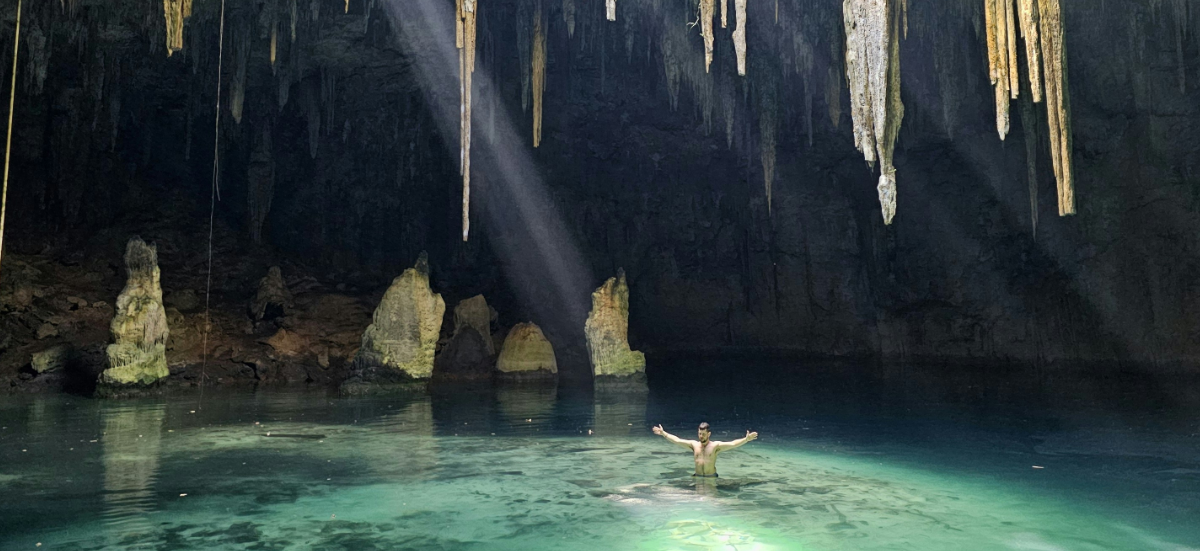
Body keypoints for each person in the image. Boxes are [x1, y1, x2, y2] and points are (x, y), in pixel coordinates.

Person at [652, 422, 757, 477]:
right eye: (699, 434)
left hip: (711, 478)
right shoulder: (694, 445)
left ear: (709, 434)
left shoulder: (715, 446)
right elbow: (677, 440)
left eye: (703, 434)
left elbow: (733, 444)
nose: (701, 436)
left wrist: (746, 439)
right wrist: (663, 433)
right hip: (697, 477)